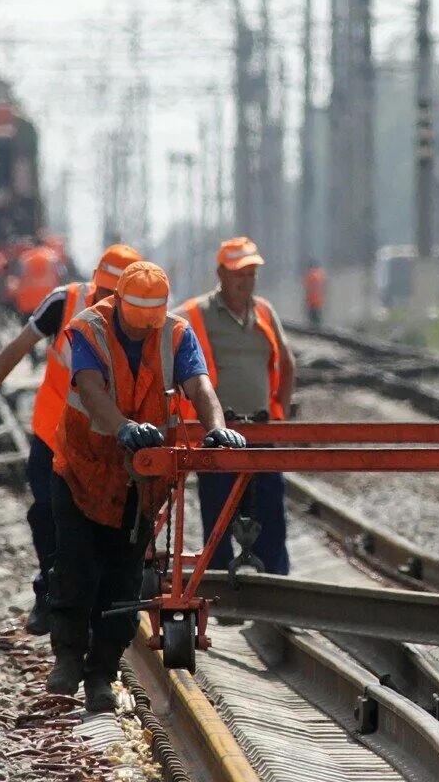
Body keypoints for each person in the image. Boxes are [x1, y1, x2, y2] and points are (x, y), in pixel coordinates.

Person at [48, 261, 245, 711]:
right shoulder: (89, 330)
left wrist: (217, 427)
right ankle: (66, 656)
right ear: (118, 304)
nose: (141, 334)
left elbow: (199, 386)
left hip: (139, 480)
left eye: (148, 325)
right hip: (82, 468)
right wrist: (123, 427)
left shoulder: (175, 333)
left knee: (122, 577)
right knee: (75, 565)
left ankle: (100, 673)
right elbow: (93, 391)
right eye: (135, 324)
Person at [0, 244, 142, 634]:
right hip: (55, 433)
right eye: (102, 291)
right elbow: (17, 349)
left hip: (109, 444)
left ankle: (102, 608)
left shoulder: (141, 319)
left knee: (107, 527)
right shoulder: (63, 302)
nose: (105, 301)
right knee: (47, 516)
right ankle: (49, 594)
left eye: (114, 295)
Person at [175, 237, 296, 575]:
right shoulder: (194, 314)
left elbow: (286, 363)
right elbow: (164, 345)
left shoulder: (265, 312)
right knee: (218, 513)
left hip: (261, 429)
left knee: (271, 508)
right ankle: (215, 585)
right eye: (239, 273)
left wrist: (279, 416)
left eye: (252, 273)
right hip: (218, 433)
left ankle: (277, 582)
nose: (247, 280)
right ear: (221, 274)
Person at [13, 243, 64, 318]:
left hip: (28, 302)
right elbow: (61, 275)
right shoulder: (52, 257)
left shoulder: (25, 258)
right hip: (49, 301)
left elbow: (17, 278)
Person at [302, 260, 327, 327]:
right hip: (319, 301)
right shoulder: (321, 274)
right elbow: (324, 287)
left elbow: (307, 289)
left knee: (312, 320)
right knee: (318, 319)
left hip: (311, 301)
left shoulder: (309, 275)